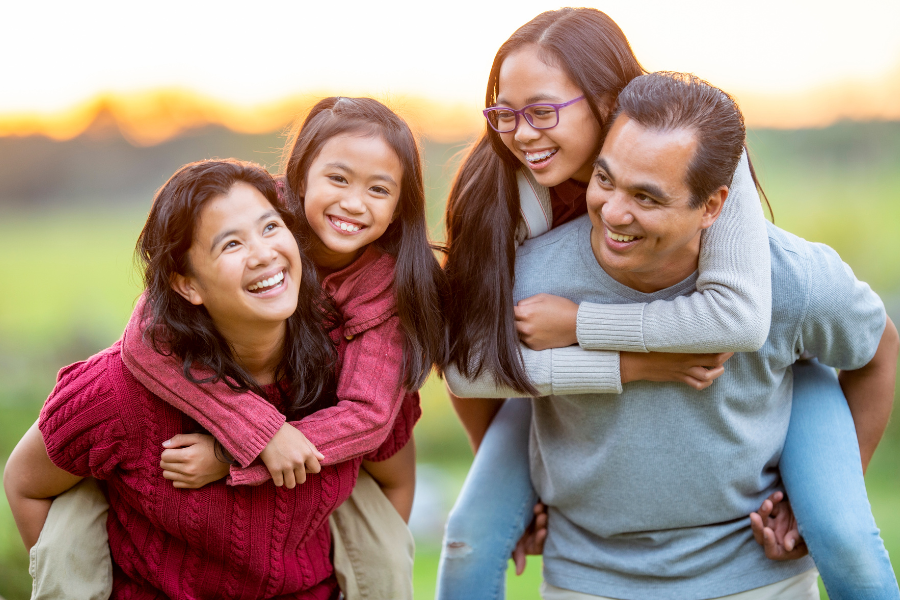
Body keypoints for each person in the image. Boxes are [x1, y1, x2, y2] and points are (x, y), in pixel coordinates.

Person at [438, 8, 898, 600]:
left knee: (846, 535)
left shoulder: (709, 170)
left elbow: (741, 320)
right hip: (545, 387)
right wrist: (532, 469)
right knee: (470, 532)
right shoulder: (500, 203)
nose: (523, 133)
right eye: (506, 112)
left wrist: (582, 323)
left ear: (608, 103)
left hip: (756, 388)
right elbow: (466, 367)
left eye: (544, 111)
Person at [118, 97, 447, 599]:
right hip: (279, 421)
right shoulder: (258, 216)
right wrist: (256, 430)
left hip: (354, 451)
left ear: (400, 204)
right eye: (338, 179)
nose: (355, 203)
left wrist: (238, 453)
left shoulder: (384, 285)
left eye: (378, 190)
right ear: (300, 173)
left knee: (382, 558)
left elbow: (368, 417)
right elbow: (145, 334)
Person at [3, 159, 353, 599]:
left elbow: (390, 485)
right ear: (188, 285)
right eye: (231, 245)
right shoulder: (118, 393)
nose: (264, 254)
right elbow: (24, 483)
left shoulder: (345, 360)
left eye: (269, 228)